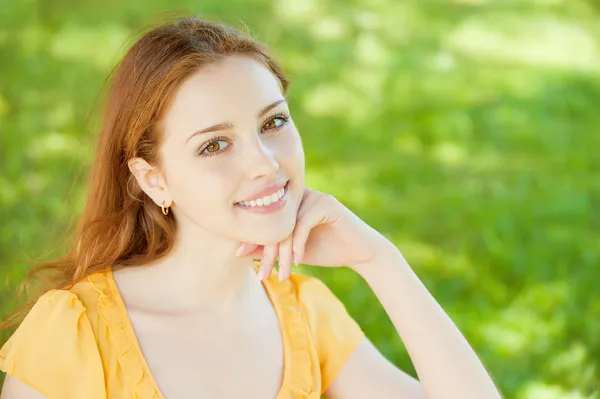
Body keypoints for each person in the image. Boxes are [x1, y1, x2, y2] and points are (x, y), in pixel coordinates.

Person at [0, 16, 502, 399]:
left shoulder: (305, 314)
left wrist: (380, 261)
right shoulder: (75, 332)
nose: (264, 164)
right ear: (153, 180)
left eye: (273, 123)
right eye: (214, 145)